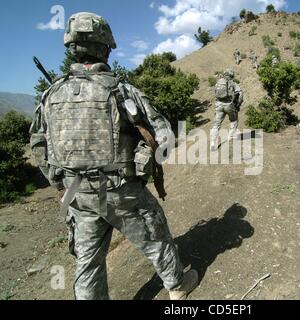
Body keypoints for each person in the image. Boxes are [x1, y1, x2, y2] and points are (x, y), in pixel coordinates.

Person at [29, 12, 198, 300]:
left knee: (87, 261)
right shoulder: (120, 91)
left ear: (72, 47)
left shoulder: (50, 94)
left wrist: (59, 183)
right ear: (105, 46)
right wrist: (144, 164)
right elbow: (166, 136)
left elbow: (38, 145)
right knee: (155, 237)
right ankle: (178, 285)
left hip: (76, 195)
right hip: (121, 191)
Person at [210, 69, 244, 151]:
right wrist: (238, 104)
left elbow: (215, 92)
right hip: (229, 105)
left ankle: (213, 143)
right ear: (231, 75)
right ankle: (230, 136)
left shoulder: (218, 82)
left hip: (218, 105)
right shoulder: (233, 83)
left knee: (216, 124)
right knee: (234, 120)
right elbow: (240, 94)